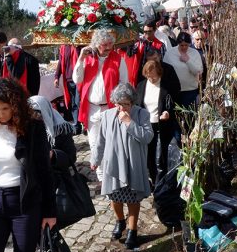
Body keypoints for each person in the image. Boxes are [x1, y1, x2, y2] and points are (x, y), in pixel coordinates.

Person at [0, 78, 57, 252]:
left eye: (5, 108)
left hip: (24, 203)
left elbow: (44, 171)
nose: (1, 114)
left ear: (15, 105)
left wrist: (50, 211)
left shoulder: (33, 127)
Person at [90, 83, 153, 250]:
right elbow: (100, 140)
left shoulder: (142, 114)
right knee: (114, 197)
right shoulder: (107, 115)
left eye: (127, 104)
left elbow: (147, 137)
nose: (123, 107)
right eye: (120, 103)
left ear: (132, 102)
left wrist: (129, 122)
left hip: (133, 163)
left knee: (133, 199)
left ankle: (132, 231)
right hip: (113, 164)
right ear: (114, 102)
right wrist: (95, 159)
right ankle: (120, 221)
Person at [73, 30, 128, 182]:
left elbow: (124, 83)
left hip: (110, 108)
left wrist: (122, 104)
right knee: (94, 143)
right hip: (91, 108)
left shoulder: (118, 59)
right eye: (104, 45)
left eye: (110, 44)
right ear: (96, 44)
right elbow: (77, 79)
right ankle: (102, 177)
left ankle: (112, 173)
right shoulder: (87, 58)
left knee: (111, 143)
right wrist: (81, 58)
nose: (109, 48)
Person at [135, 60, 181, 185]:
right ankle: (152, 179)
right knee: (149, 155)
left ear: (159, 74)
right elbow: (137, 105)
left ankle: (160, 182)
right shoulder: (141, 86)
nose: (152, 79)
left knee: (160, 156)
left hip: (161, 125)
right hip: (146, 125)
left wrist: (168, 113)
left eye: (154, 77)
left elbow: (172, 104)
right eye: (149, 77)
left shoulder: (166, 87)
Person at [164, 32, 203, 137]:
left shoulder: (194, 53)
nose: (184, 47)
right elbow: (165, 70)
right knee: (176, 118)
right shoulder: (170, 53)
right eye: (182, 45)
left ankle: (190, 138)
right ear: (178, 44)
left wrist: (187, 61)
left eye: (186, 45)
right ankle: (178, 140)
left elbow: (198, 71)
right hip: (175, 92)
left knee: (190, 118)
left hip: (190, 91)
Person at [122, 20, 167, 86]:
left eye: (149, 31)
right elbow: (130, 54)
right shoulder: (139, 42)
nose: (147, 34)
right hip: (140, 74)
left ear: (154, 31)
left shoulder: (160, 45)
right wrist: (132, 41)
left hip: (153, 74)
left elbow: (161, 63)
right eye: (145, 32)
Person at [53, 44, 81, 123]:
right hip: (68, 80)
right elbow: (60, 63)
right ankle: (76, 125)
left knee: (78, 102)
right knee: (73, 103)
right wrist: (56, 77)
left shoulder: (79, 45)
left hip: (80, 79)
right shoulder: (63, 47)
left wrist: (77, 47)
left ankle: (84, 124)